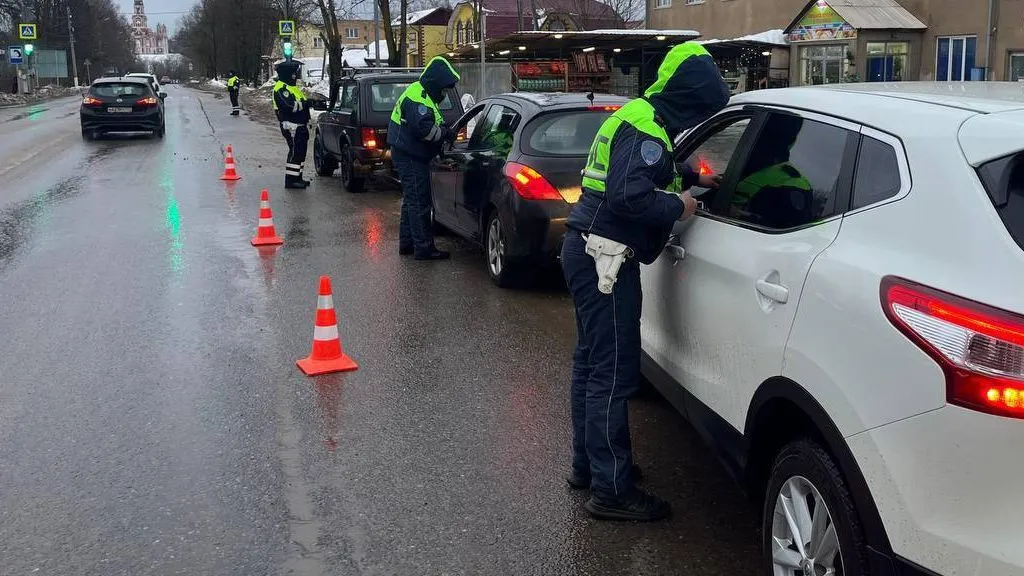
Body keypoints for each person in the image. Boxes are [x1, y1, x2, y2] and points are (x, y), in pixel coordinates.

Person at [562, 42, 730, 522]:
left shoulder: (638, 116)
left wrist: (690, 175)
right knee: (613, 373)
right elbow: (628, 195)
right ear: (687, 95)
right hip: (607, 258)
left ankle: (591, 467)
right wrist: (681, 205)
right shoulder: (648, 129)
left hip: (588, 249)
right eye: (699, 106)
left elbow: (640, 168)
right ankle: (612, 492)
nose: (698, 117)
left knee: (592, 365)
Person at [387, 56, 460, 260]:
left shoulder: (421, 93)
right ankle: (424, 248)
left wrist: (442, 130)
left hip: (407, 152)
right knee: (419, 202)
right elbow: (425, 131)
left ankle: (408, 243)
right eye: (443, 89)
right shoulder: (418, 99)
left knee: (411, 200)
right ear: (435, 84)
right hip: (410, 156)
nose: (444, 93)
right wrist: (445, 134)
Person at [272, 60, 311, 189]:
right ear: (288, 73)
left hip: (300, 125)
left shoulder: (292, 87)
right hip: (291, 126)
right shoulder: (281, 88)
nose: (295, 75)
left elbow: (301, 102)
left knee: (300, 153)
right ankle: (291, 180)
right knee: (295, 152)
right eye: (294, 73)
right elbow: (288, 106)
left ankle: (298, 177)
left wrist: (309, 103)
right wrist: (305, 104)